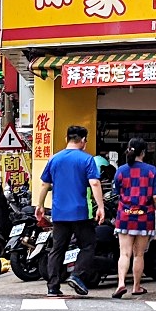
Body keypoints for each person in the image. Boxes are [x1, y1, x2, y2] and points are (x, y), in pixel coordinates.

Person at [36, 125, 104, 298]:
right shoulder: (87, 160)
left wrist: (40, 204)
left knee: (57, 249)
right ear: (83, 141)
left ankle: (53, 287)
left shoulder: (54, 159)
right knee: (88, 245)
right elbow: (95, 183)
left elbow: (45, 184)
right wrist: (101, 207)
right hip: (81, 212)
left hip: (59, 213)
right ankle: (77, 275)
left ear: (66, 139)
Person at [110, 137, 156, 298]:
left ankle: (120, 284)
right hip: (144, 217)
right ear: (144, 152)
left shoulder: (121, 170)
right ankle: (136, 286)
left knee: (124, 253)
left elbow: (115, 193)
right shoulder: (151, 171)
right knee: (139, 254)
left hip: (124, 215)